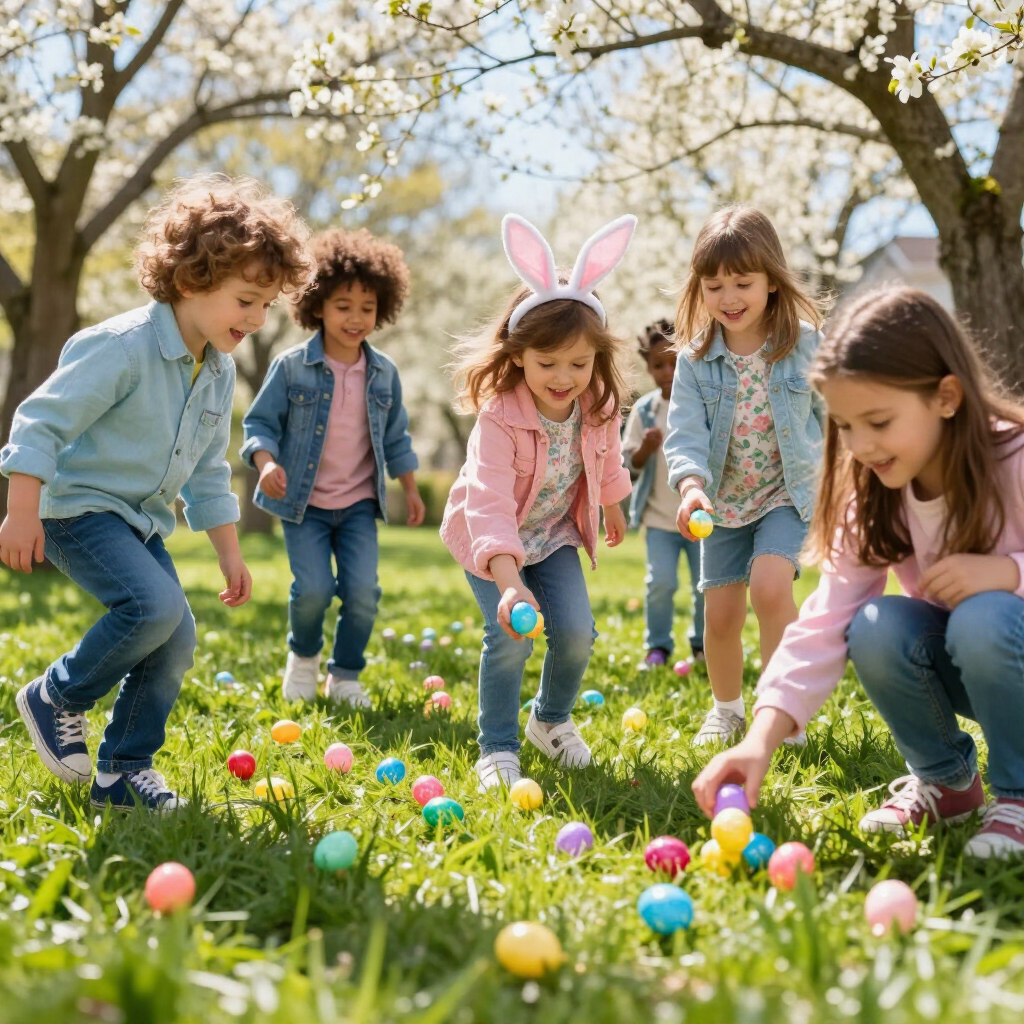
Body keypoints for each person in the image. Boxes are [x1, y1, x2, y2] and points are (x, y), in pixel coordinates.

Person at [0, 175, 311, 809]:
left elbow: (205, 469)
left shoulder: (217, 372)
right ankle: (58, 693)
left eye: (265, 306)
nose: (255, 320)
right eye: (246, 301)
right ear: (192, 281)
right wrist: (22, 510)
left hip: (137, 522)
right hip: (76, 509)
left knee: (176, 636)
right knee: (154, 608)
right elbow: (41, 419)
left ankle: (122, 771)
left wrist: (229, 552)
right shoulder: (122, 347)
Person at [694, 286, 1024, 859]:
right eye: (845, 426)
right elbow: (825, 622)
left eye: (878, 421)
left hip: (1000, 642)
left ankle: (1018, 798)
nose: (861, 445)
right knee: (873, 623)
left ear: (947, 396)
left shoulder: (1013, 458)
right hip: (983, 666)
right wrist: (760, 740)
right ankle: (947, 784)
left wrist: (1007, 573)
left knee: (983, 615)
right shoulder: (876, 492)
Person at [441, 214, 635, 789]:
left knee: (576, 633)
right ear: (519, 355)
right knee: (510, 634)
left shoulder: (598, 403)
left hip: (551, 536)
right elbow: (489, 503)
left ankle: (549, 722)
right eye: (547, 363)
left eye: (579, 363)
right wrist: (507, 582)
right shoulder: (499, 418)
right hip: (489, 539)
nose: (564, 377)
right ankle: (496, 746)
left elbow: (607, 460)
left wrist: (613, 503)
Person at [241, 227, 424, 707]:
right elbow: (259, 423)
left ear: (381, 308)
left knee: (363, 592)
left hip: (360, 504)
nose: (355, 318)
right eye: (344, 307)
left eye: (367, 308)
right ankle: (303, 658)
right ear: (317, 305)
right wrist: (265, 464)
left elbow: (396, 436)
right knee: (314, 591)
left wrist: (411, 487)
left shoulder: (384, 372)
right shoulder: (291, 367)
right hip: (304, 505)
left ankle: (344, 675)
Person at [664, 206, 825, 747]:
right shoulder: (695, 360)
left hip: (787, 491)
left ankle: (782, 710)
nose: (729, 297)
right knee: (722, 615)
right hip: (721, 502)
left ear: (772, 283)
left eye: (743, 283)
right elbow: (684, 433)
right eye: (715, 285)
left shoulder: (803, 344)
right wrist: (691, 489)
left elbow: (837, 417)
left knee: (771, 586)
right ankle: (728, 708)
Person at [622, 320, 705, 666]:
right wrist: (644, 449)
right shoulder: (644, 411)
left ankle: (703, 645)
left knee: (706, 586)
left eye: (674, 362)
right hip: (659, 519)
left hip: (701, 516)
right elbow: (628, 468)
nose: (668, 371)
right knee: (661, 584)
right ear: (648, 368)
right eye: (658, 365)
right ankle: (658, 645)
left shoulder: (702, 403)